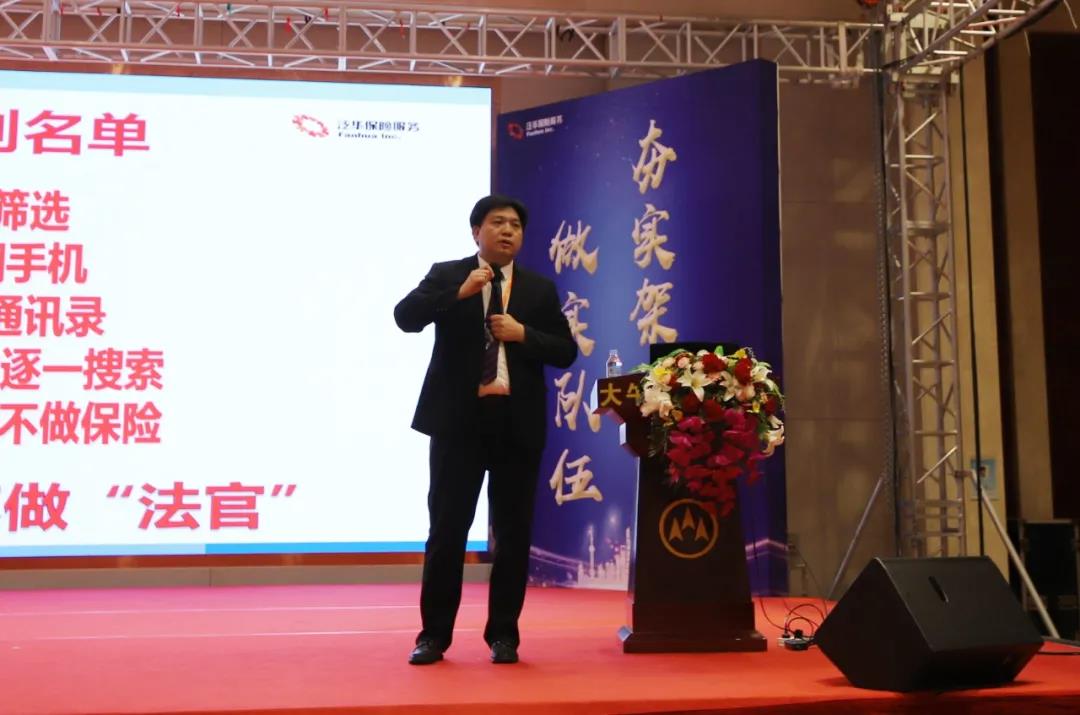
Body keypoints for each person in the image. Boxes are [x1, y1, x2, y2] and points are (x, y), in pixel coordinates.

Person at [394, 194, 577, 665]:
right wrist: (457, 294)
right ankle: (434, 636)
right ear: (476, 231)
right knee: (447, 530)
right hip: (458, 424)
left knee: (513, 536)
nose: (507, 231)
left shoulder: (538, 289)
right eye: (497, 223)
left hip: (516, 425)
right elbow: (405, 318)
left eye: (515, 224)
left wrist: (523, 334)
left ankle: (504, 636)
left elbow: (565, 351)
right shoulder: (448, 275)